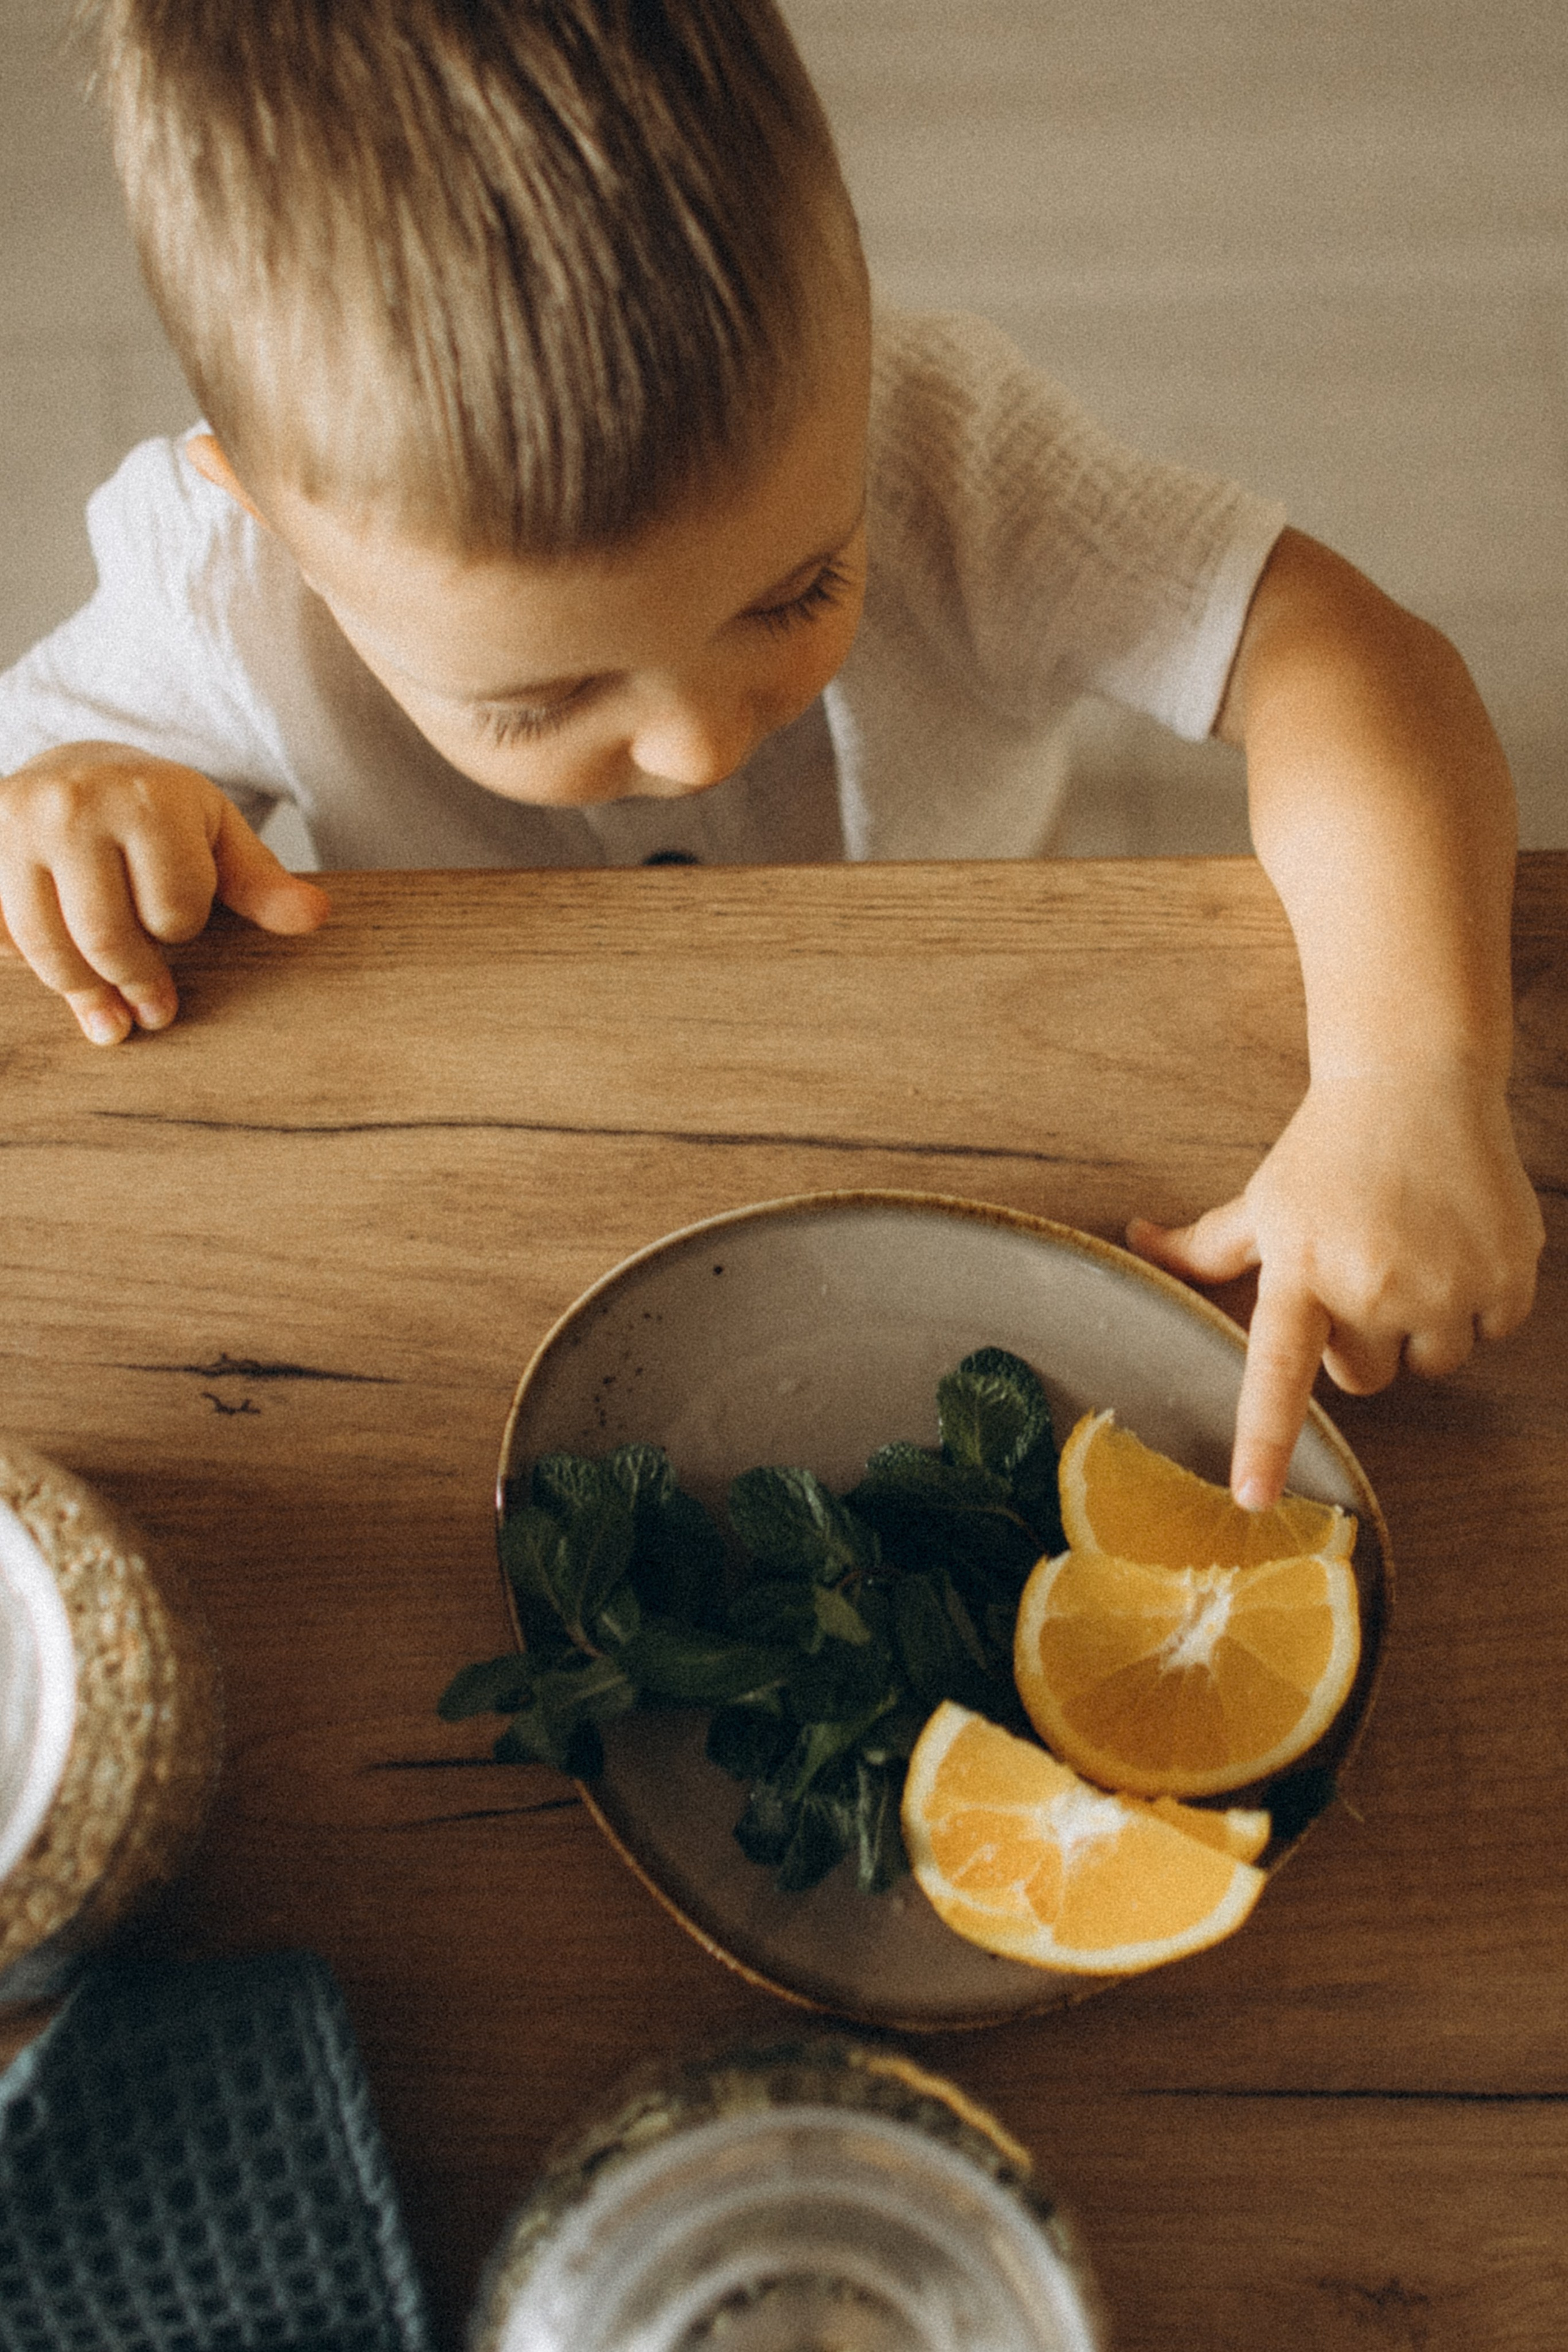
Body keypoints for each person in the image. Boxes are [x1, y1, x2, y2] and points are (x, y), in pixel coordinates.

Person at [0, 0, 1542, 1510]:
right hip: (475, 1157)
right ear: (270, 525)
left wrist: (1408, 1073)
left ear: (854, 343)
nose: (695, 740)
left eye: (797, 590)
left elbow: (1346, 658)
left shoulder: (936, 448)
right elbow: (37, 798)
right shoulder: (219, 580)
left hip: (975, 1053)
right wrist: (80, 808)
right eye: (540, 701)